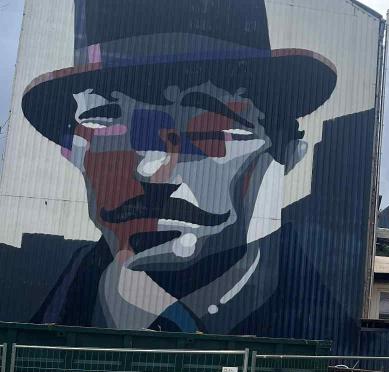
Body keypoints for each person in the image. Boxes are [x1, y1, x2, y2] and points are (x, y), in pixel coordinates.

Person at [17, 0, 362, 334]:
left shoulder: (341, 364)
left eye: (210, 130)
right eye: (107, 124)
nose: (152, 168)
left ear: (287, 154)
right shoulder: (18, 360)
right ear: (71, 150)